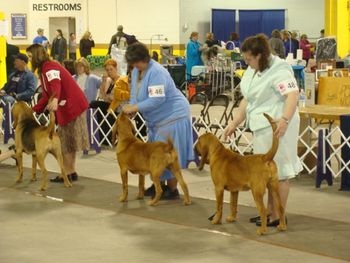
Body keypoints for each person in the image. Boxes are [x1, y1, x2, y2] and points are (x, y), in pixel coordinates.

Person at [224, 34, 302, 227]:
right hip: (260, 127)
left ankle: (278, 215)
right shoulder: (252, 70)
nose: (247, 62)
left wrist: (284, 119)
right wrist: (234, 122)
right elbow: (247, 99)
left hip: (279, 125)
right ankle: (268, 212)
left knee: (280, 173)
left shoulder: (280, 69)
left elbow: (292, 95)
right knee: (265, 173)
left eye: (249, 59)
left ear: (260, 55)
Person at [123, 42, 194, 199]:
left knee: (167, 154)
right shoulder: (136, 71)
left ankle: (172, 189)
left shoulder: (157, 72)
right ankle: (159, 186)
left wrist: (135, 108)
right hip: (157, 120)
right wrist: (134, 105)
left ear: (143, 59)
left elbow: (157, 100)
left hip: (173, 116)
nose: (133, 65)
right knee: (155, 154)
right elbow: (134, 93)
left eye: (135, 62)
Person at [26, 43, 89, 183]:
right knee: (69, 142)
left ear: (37, 55)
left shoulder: (50, 67)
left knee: (65, 142)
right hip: (68, 106)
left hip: (71, 106)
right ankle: (71, 172)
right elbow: (45, 96)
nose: (29, 59)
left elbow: (56, 84)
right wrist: (32, 111)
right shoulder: (44, 69)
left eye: (30, 56)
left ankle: (66, 173)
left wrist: (54, 99)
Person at [89, 59, 120, 145]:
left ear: (116, 69)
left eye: (111, 69)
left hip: (117, 106)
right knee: (93, 104)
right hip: (109, 105)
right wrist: (103, 81)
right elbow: (102, 96)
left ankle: (105, 136)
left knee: (97, 105)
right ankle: (91, 129)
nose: (109, 72)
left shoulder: (120, 80)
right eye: (107, 70)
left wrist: (109, 97)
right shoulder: (109, 81)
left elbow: (115, 98)